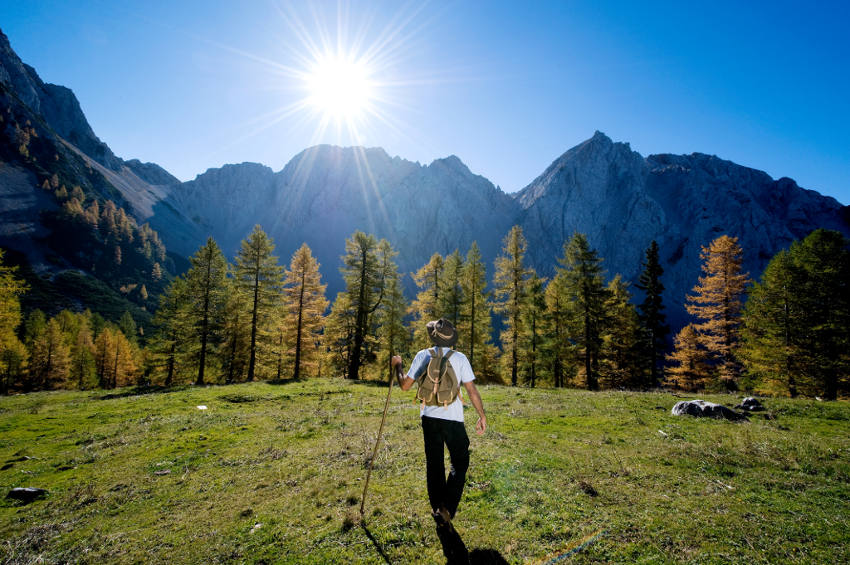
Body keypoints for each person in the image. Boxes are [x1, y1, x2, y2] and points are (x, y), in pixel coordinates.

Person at [391, 318, 487, 530]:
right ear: (451, 339)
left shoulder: (423, 355)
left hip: (429, 418)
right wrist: (482, 416)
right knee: (459, 462)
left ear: (433, 336)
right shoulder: (460, 358)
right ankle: (447, 508)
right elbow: (471, 390)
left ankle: (437, 508)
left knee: (434, 463)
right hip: (453, 420)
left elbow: (405, 385)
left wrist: (397, 366)